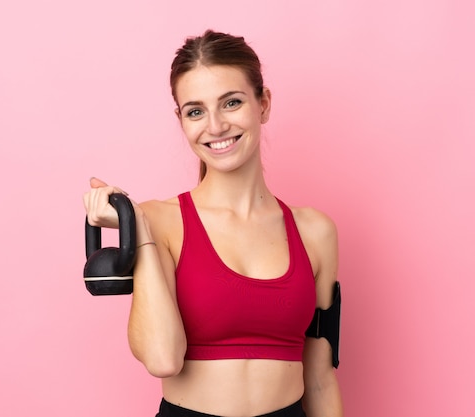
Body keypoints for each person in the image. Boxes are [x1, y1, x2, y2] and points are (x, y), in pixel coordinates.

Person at [83, 30, 343, 417]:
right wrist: (138, 228)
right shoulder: (156, 220)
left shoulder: (316, 231)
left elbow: (320, 377)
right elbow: (162, 358)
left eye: (232, 102)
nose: (216, 125)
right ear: (181, 120)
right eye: (195, 111)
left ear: (264, 104)